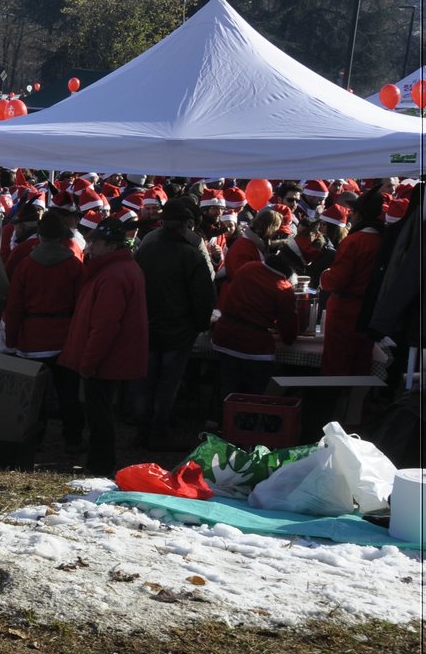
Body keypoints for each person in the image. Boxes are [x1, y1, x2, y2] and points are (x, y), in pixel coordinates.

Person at [58, 217, 148, 476]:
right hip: (111, 358)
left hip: (105, 361)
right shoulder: (119, 269)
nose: (89, 248)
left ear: (110, 246)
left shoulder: (112, 275)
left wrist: (88, 363)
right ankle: (99, 463)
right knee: (102, 412)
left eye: (95, 244)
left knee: (100, 414)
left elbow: (106, 325)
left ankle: (100, 465)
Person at [131, 195, 215, 451]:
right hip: (177, 332)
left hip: (148, 327)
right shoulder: (191, 255)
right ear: (185, 225)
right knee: (167, 384)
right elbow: (204, 295)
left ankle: (142, 431)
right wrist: (200, 324)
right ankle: (158, 431)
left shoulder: (147, 247)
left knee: (144, 382)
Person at [4, 208, 85, 449]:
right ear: (62, 238)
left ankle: (32, 440)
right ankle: (73, 439)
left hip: (32, 337)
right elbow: (81, 304)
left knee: (34, 395)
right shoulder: (73, 265)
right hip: (63, 336)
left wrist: (11, 338)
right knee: (68, 392)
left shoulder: (26, 265)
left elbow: (15, 305)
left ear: (40, 237)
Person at [209, 241, 308, 402]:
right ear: (292, 267)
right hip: (254, 348)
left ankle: (223, 423)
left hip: (225, 337)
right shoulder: (283, 289)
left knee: (227, 391)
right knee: (252, 397)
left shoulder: (248, 268)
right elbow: (289, 334)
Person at [318, 191, 383, 375]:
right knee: (361, 363)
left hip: (346, 309)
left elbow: (337, 280)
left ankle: (333, 402)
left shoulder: (355, 241)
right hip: (370, 308)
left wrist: (324, 277)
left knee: (336, 364)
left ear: (359, 214)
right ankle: (353, 402)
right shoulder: (383, 239)